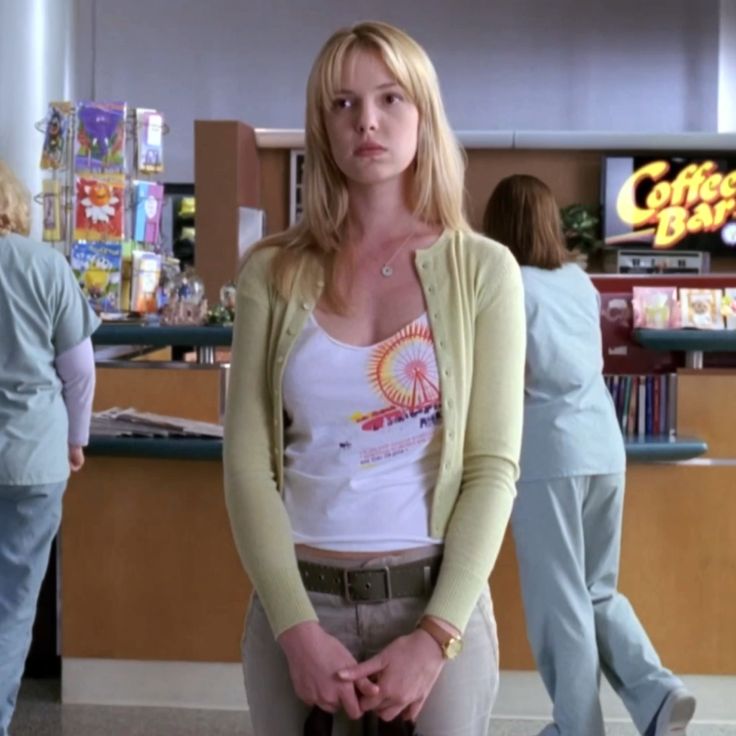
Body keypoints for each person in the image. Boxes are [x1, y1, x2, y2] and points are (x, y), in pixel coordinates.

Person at [223, 20, 526, 735]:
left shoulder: (482, 271)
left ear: (424, 111)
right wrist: (294, 628)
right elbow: (246, 466)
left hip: (433, 605)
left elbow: (491, 466)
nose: (368, 121)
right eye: (344, 103)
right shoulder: (272, 271)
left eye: (391, 98)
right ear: (321, 125)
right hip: (297, 602)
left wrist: (434, 639)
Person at [482, 174, 696, 736]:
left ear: (498, 224)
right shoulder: (577, 282)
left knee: (560, 601)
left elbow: (507, 377)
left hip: (549, 453)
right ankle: (658, 692)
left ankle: (577, 729)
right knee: (597, 589)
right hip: (603, 445)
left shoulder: (508, 284)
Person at [0, 161, 99, 735]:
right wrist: (75, 441)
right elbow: (79, 372)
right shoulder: (45, 266)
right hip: (33, 459)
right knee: (12, 607)